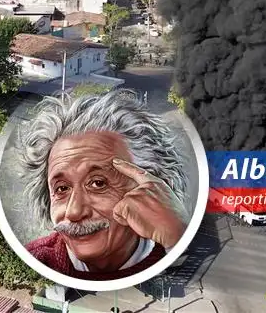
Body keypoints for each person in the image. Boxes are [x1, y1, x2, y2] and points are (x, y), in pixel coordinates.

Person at [17, 90, 191, 281]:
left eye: (98, 183)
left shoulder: (173, 245)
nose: (74, 212)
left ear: (150, 188)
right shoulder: (37, 260)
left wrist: (177, 240)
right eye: (62, 189)